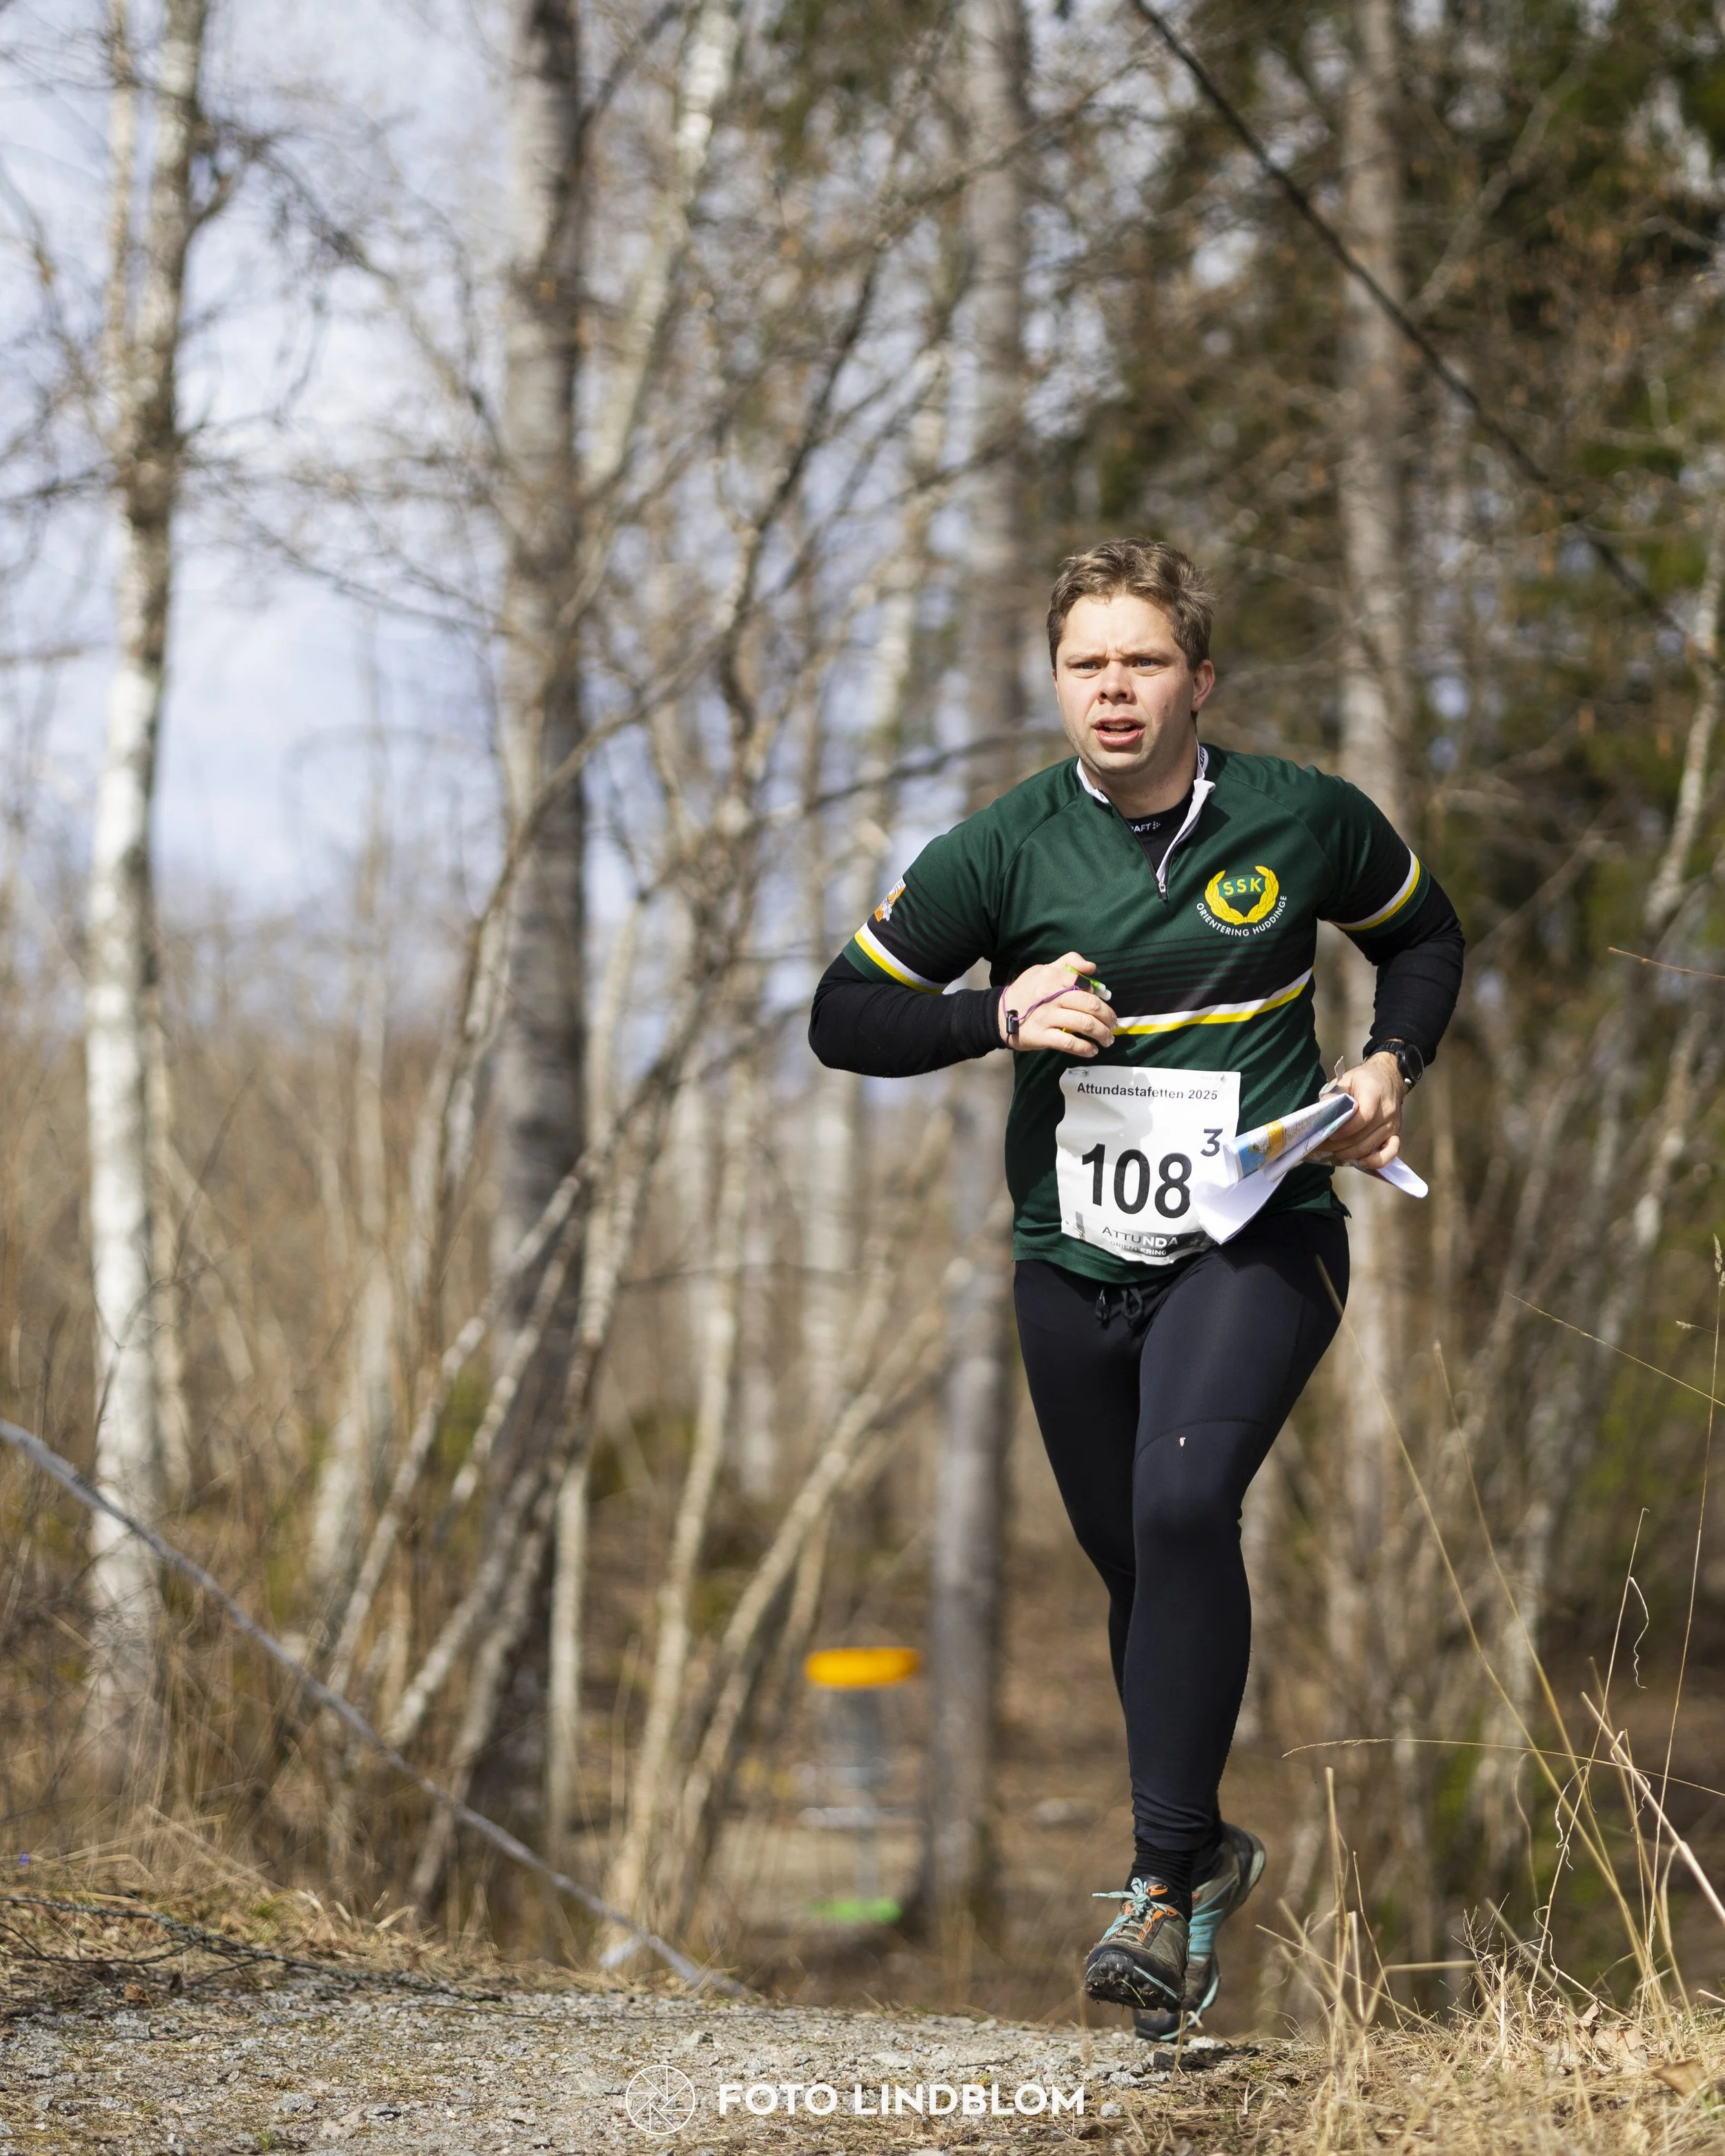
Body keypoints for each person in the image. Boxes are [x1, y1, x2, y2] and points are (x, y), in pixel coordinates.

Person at [807, 539, 1464, 2027]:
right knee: (1136, 1563)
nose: (1113, 689)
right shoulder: (1003, 847)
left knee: (1183, 1508)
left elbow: (1421, 935)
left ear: (1198, 680)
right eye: (1085, 665)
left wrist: (1380, 1062)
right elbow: (840, 1016)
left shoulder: (1298, 815)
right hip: (1073, 1261)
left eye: (1143, 661)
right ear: (1055, 685)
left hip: (1259, 1233)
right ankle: (1202, 1847)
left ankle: (1158, 1888)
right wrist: (991, 1012)